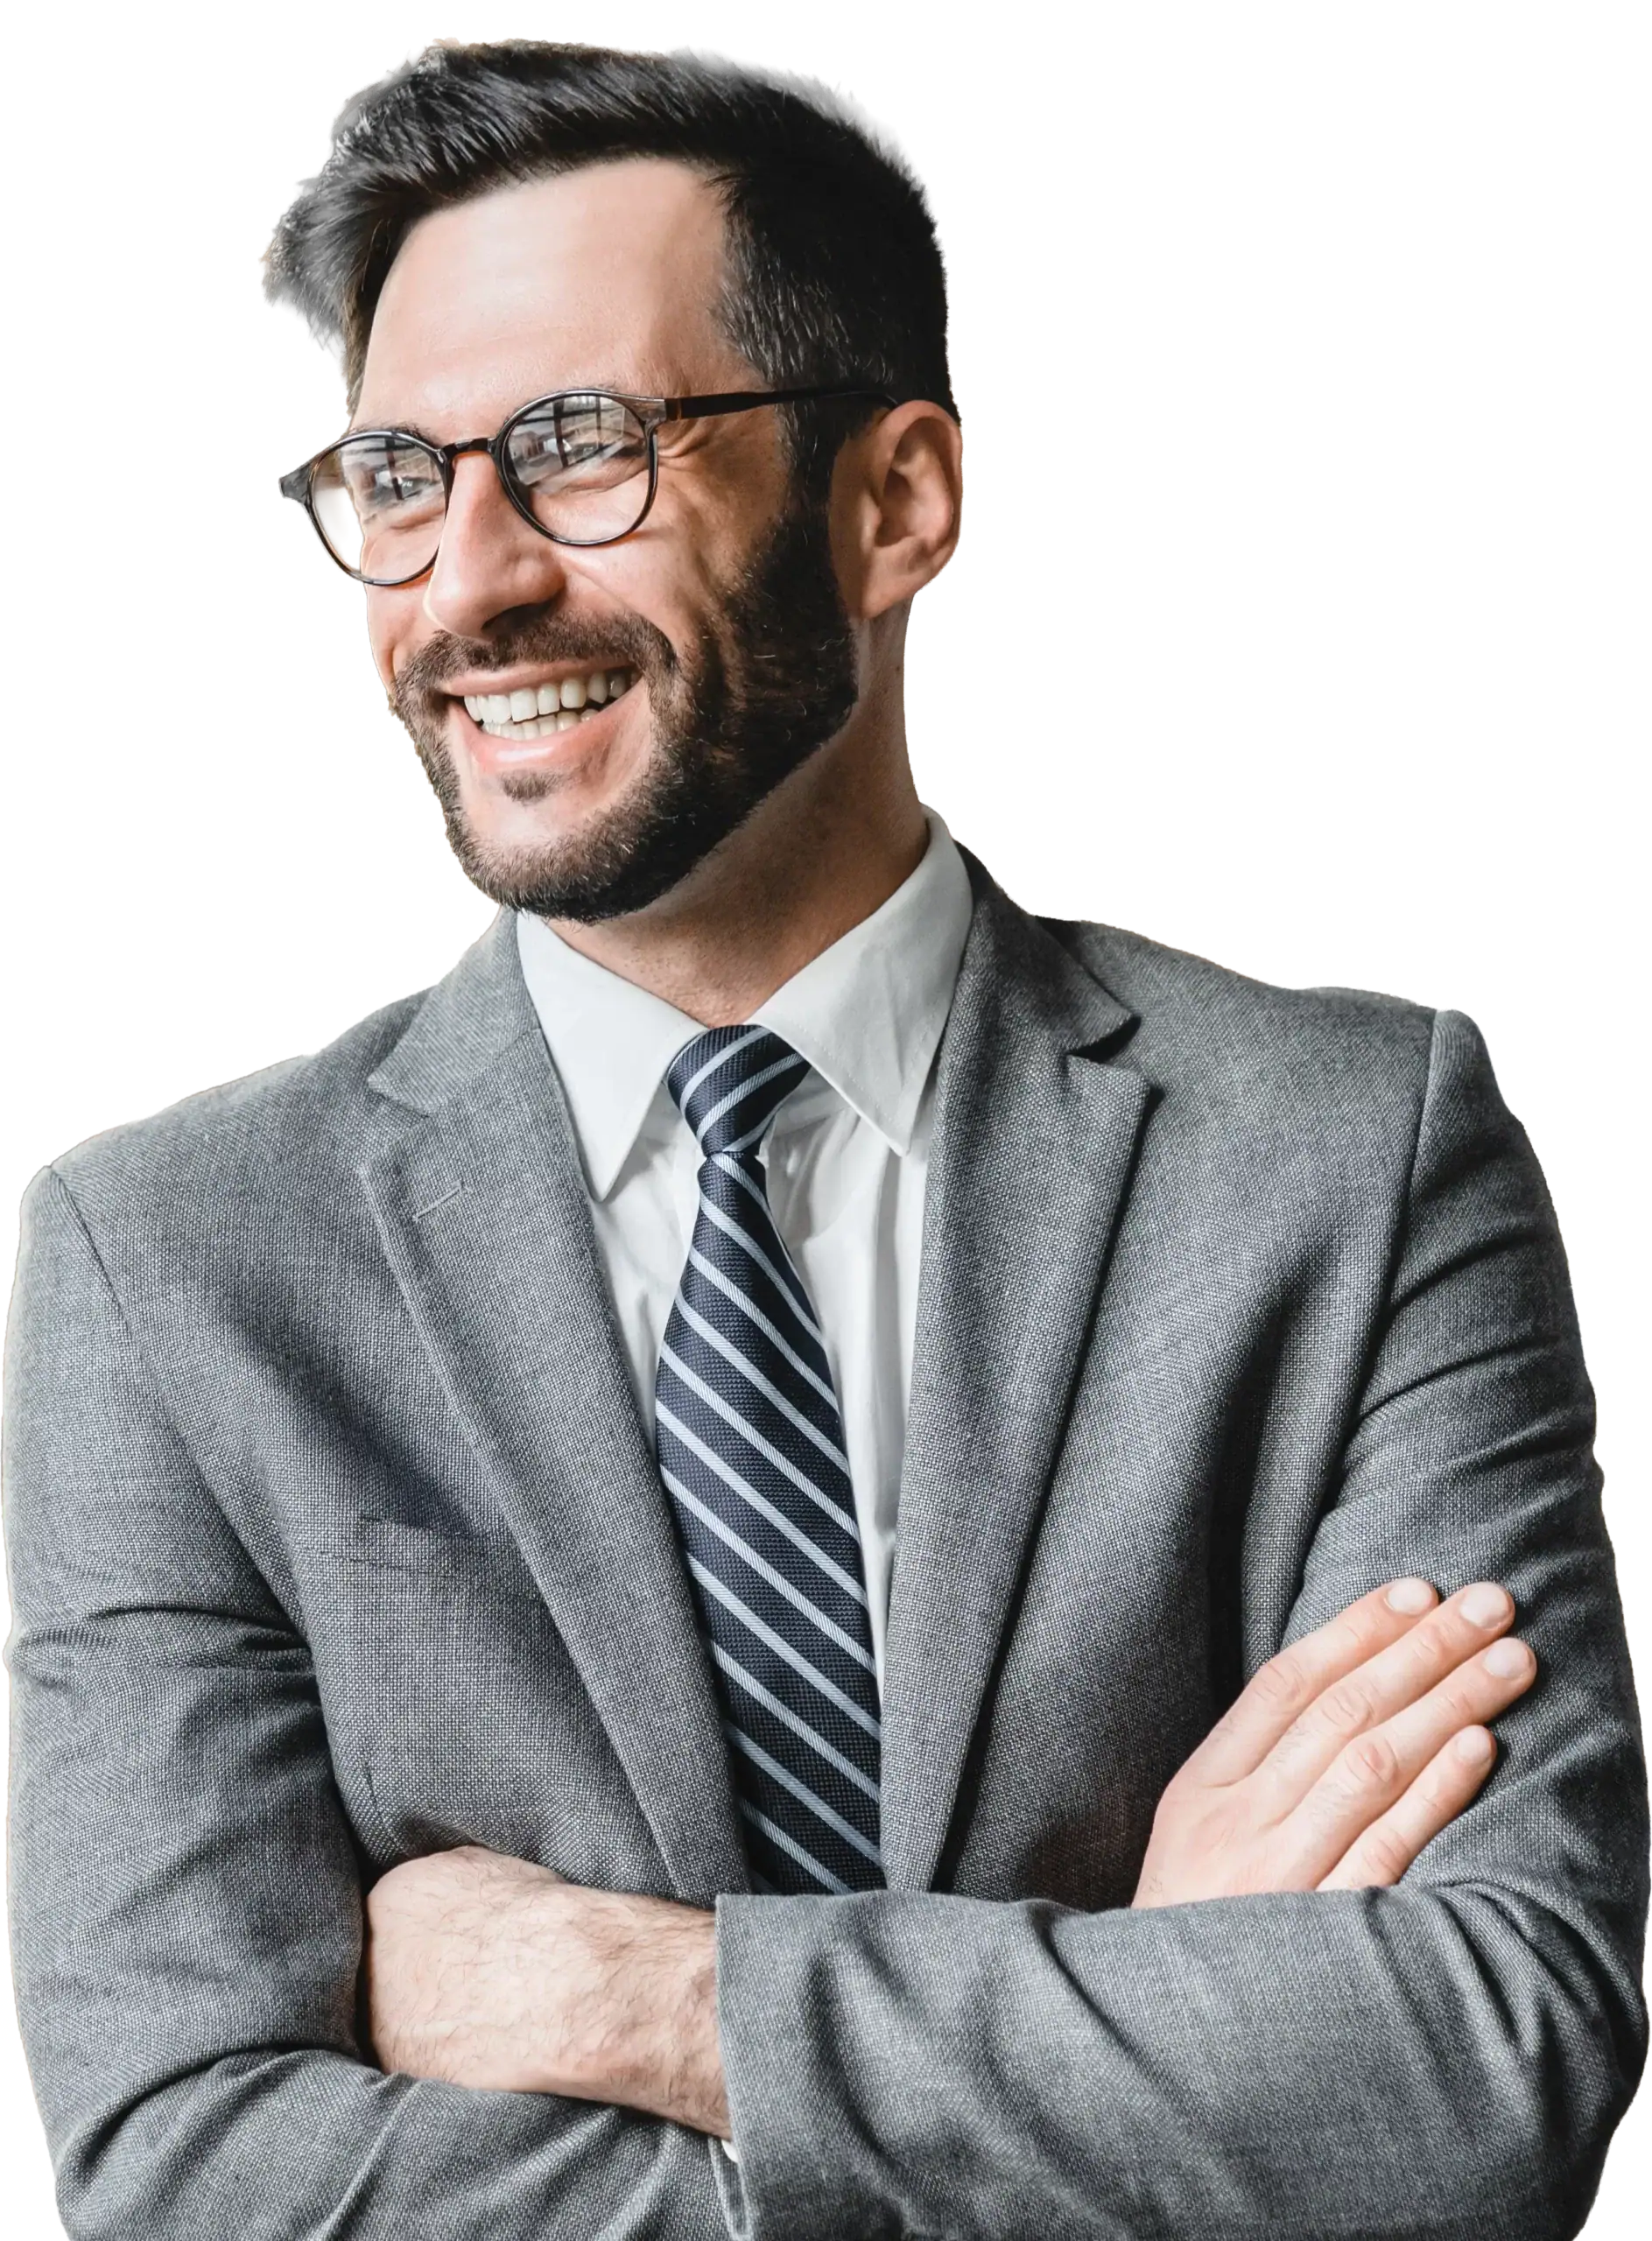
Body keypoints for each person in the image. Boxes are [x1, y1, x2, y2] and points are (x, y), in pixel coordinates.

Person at [5, 35, 1645, 2241]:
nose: (461, 583)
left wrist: (649, 1992)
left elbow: (1482, 2060)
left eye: (577, 449)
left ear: (898, 503)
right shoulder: (171, 1254)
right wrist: (1143, 2029)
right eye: (396, 478)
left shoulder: (1353, 1150)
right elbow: (186, 2166)